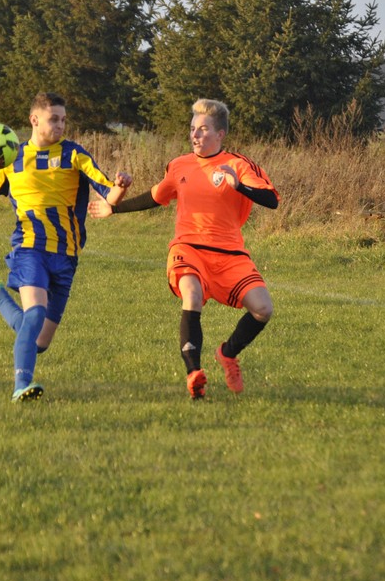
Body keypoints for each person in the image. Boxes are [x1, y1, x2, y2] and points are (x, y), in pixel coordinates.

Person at [88, 98, 279, 400]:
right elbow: (155, 196)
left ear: (220, 134)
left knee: (263, 310)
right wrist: (115, 208)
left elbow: (272, 200)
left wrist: (238, 186)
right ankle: (194, 373)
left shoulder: (239, 165)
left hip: (230, 254)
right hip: (188, 248)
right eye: (192, 129)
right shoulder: (179, 165)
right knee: (192, 295)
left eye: (203, 129)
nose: (195, 135)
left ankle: (228, 354)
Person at [0, 92, 131, 402]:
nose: (60, 125)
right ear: (34, 120)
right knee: (34, 315)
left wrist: (121, 187)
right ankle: (21, 385)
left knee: (39, 342)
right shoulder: (11, 157)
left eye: (63, 120)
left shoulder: (74, 154)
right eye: (53, 119)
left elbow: (108, 194)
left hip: (67, 254)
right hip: (29, 247)